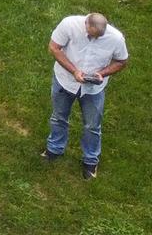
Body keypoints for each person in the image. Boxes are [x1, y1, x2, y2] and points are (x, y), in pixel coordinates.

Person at [44, 12, 128, 179]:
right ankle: (54, 149)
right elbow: (54, 47)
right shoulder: (69, 24)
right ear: (86, 24)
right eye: (91, 35)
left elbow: (122, 61)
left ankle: (90, 161)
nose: (94, 39)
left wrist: (102, 73)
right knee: (59, 117)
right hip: (65, 80)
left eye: (98, 37)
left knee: (92, 125)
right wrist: (74, 71)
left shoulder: (116, 39)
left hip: (93, 90)